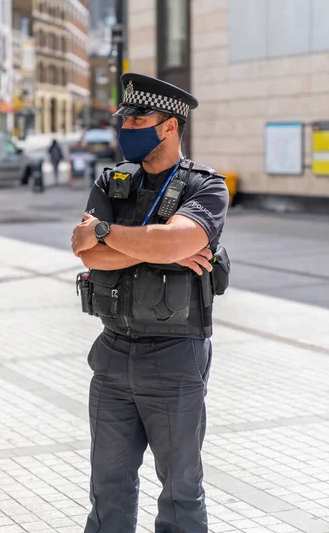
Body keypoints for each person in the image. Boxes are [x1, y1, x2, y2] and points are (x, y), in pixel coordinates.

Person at [71, 73, 229, 533]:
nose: (128, 126)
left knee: (181, 490)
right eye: (126, 117)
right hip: (113, 353)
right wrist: (162, 248)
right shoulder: (112, 180)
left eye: (139, 117)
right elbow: (87, 253)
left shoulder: (206, 187)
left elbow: (170, 240)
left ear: (170, 126)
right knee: (108, 489)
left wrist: (107, 234)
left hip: (175, 355)